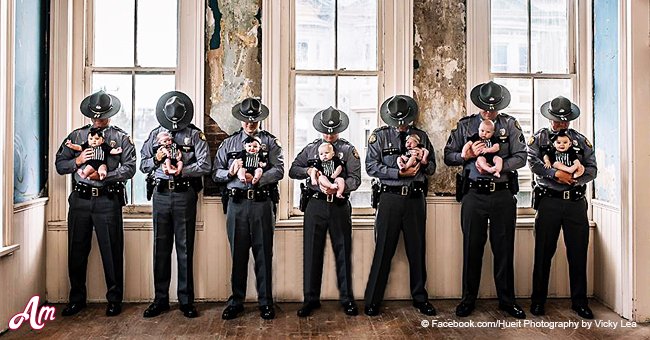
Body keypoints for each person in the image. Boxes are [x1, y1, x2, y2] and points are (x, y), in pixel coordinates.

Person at [443, 81, 527, 319]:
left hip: (502, 194)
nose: (489, 111)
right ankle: (468, 299)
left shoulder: (509, 125)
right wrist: (464, 155)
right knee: (472, 248)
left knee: (504, 249)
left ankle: (507, 300)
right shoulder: (466, 124)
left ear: (500, 105)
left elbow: (521, 157)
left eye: (494, 107)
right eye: (485, 107)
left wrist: (498, 166)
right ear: (479, 104)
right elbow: (448, 155)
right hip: (473, 195)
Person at [55, 90, 136, 317]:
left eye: (103, 115)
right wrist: (78, 160)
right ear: (90, 114)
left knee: (111, 251)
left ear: (110, 114)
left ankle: (114, 299)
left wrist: (104, 175)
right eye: (96, 115)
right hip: (80, 200)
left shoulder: (120, 138)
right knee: (76, 251)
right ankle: (77, 299)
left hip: (107, 201)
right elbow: (60, 165)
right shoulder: (76, 136)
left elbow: (130, 168)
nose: (99, 119)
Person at [140, 91, 211, 318]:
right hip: (160, 195)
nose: (174, 124)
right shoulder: (154, 134)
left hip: (184, 194)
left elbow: (205, 164)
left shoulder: (194, 135)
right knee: (160, 249)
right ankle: (160, 299)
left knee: (185, 248)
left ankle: (186, 301)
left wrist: (184, 170)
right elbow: (143, 165)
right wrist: (158, 159)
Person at [364, 95, 436, 317]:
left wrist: (423, 162)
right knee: (384, 249)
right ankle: (373, 299)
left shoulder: (421, 136)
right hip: (390, 199)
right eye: (397, 121)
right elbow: (371, 167)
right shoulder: (379, 137)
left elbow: (432, 167)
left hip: (415, 199)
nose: (401, 125)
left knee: (417, 250)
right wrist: (398, 172)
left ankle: (420, 298)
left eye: (405, 121)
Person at [213, 97, 284, 320]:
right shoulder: (229, 144)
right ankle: (236, 301)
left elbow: (279, 170)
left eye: (254, 120)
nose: (250, 124)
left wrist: (259, 178)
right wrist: (232, 173)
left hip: (262, 203)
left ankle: (265, 302)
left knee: (263, 254)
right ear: (241, 120)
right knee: (238, 254)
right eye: (246, 120)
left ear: (259, 120)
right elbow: (216, 173)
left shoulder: (270, 143)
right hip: (237, 204)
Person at [528, 96, 597, 319]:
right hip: (549, 202)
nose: (561, 124)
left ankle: (580, 303)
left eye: (565, 121)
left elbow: (592, 169)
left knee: (578, 254)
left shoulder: (579, 140)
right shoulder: (540, 138)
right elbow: (533, 162)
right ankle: (538, 302)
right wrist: (554, 173)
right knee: (543, 253)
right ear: (550, 118)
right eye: (557, 120)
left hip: (575, 203)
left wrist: (574, 178)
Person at [289, 106, 361, 317]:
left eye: (333, 131)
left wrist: (340, 185)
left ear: (340, 129)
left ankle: (347, 299)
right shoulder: (312, 149)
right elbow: (294, 169)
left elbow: (356, 179)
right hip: (315, 204)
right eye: (326, 131)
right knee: (312, 252)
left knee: (343, 252)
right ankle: (310, 299)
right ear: (320, 129)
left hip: (338, 205)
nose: (329, 134)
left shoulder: (348, 150)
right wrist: (310, 171)